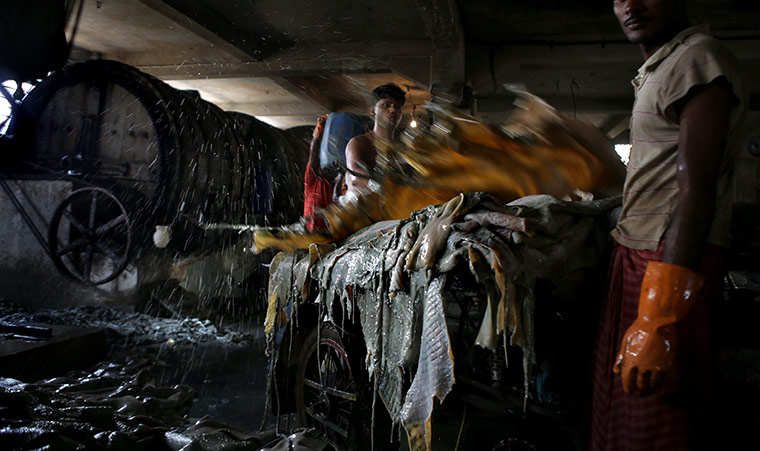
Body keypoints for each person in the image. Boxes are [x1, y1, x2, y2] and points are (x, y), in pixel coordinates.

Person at [590, 0, 746, 449]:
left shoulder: (697, 59)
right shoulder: (663, 66)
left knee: (657, 416)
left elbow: (696, 190)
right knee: (622, 409)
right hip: (641, 254)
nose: (630, 6)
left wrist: (657, 318)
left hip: (667, 262)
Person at [343, 83, 406, 197]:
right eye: (386, 105)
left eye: (397, 107)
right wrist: (384, 185)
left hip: (397, 206)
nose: (392, 110)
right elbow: (356, 176)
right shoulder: (359, 143)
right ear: (373, 110)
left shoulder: (404, 149)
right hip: (363, 207)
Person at [302, 113, 334, 231]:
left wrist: (316, 137)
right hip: (327, 236)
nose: (329, 169)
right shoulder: (340, 186)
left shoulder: (311, 183)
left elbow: (313, 157)